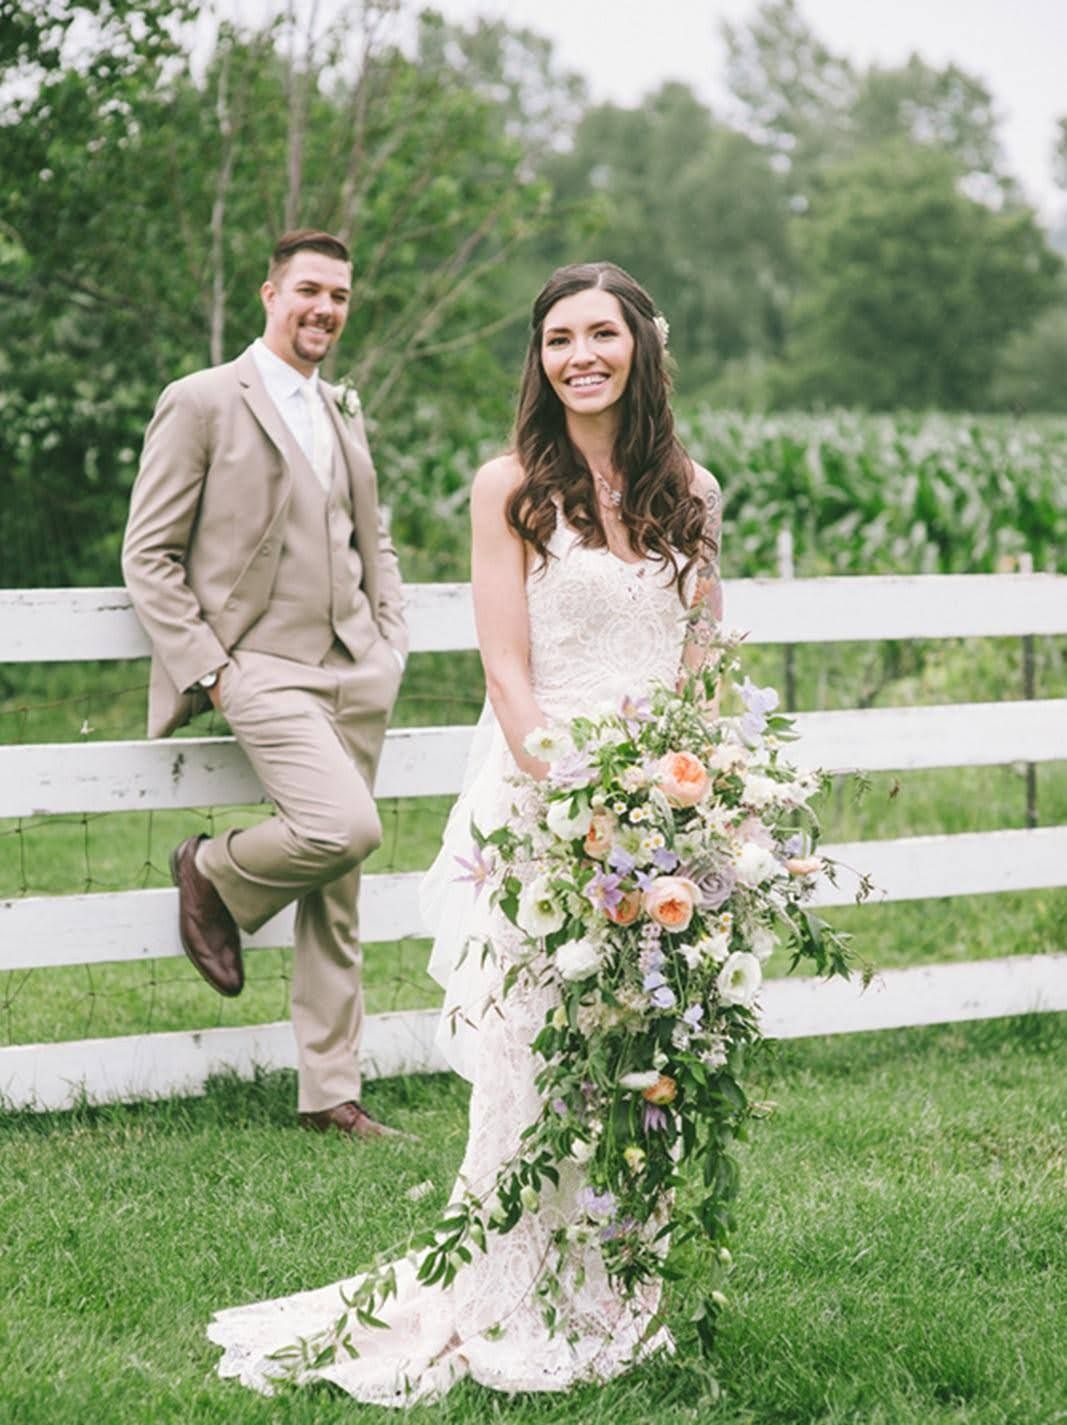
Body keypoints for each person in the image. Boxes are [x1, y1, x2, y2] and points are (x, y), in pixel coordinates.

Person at [207, 261, 723, 1402]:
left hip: (667, 804)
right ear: (537, 362)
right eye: (554, 339)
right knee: (533, 1059)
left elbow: (700, 666)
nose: (577, 355)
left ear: (640, 345)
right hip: (543, 800)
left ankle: (614, 1285)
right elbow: (505, 664)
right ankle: (501, 1285)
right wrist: (574, 796)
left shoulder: (693, 490)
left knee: (641, 1057)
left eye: (598, 333)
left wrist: (695, 796)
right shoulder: (512, 488)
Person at [122, 229, 408, 1139]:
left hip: (354, 667)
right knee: (342, 827)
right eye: (310, 291)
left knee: (340, 886)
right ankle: (207, 868)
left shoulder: (342, 407)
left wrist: (389, 640)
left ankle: (330, 1091)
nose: (325, 309)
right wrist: (207, 664)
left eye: (340, 297)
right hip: (258, 667)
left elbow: (374, 536)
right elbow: (149, 553)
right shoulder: (202, 400)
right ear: (269, 294)